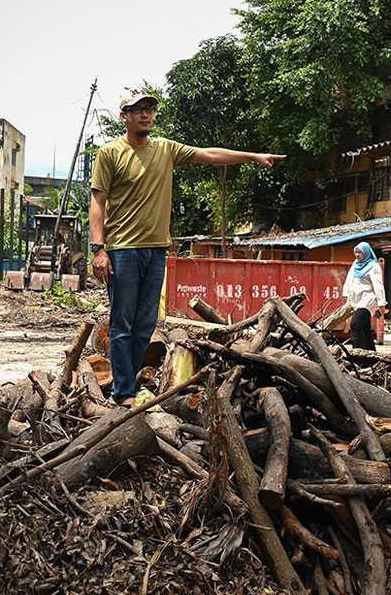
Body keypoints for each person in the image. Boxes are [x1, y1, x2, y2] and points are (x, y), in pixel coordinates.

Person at [90, 89, 285, 406]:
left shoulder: (165, 149)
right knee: (122, 323)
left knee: (146, 323)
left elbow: (209, 154)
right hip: (122, 249)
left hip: (156, 250)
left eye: (150, 109)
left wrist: (251, 156)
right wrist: (98, 249)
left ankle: (130, 383)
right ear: (123, 116)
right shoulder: (110, 153)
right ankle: (122, 391)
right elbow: (97, 202)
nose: (145, 114)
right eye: (137, 109)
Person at [342, 242, 387, 351]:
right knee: (365, 328)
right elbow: (349, 280)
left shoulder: (373, 266)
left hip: (368, 300)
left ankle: (357, 354)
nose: (357, 255)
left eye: (360, 252)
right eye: (356, 252)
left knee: (355, 324)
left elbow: (378, 285)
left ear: (366, 252)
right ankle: (371, 354)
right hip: (357, 300)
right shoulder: (355, 264)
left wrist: (381, 303)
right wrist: (345, 294)